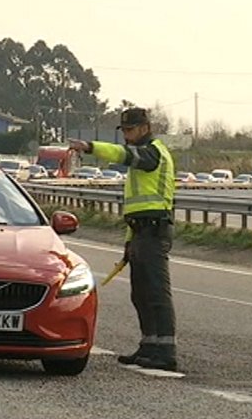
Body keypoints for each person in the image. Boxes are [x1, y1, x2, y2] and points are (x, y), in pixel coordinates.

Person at [68, 107, 178, 371]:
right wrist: (129, 241)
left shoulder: (153, 153)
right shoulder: (141, 155)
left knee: (156, 293)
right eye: (124, 130)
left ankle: (166, 350)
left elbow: (123, 155)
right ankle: (149, 345)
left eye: (130, 130)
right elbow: (136, 208)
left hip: (155, 230)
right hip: (141, 230)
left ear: (145, 128)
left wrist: (91, 147)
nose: (127, 135)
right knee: (140, 292)